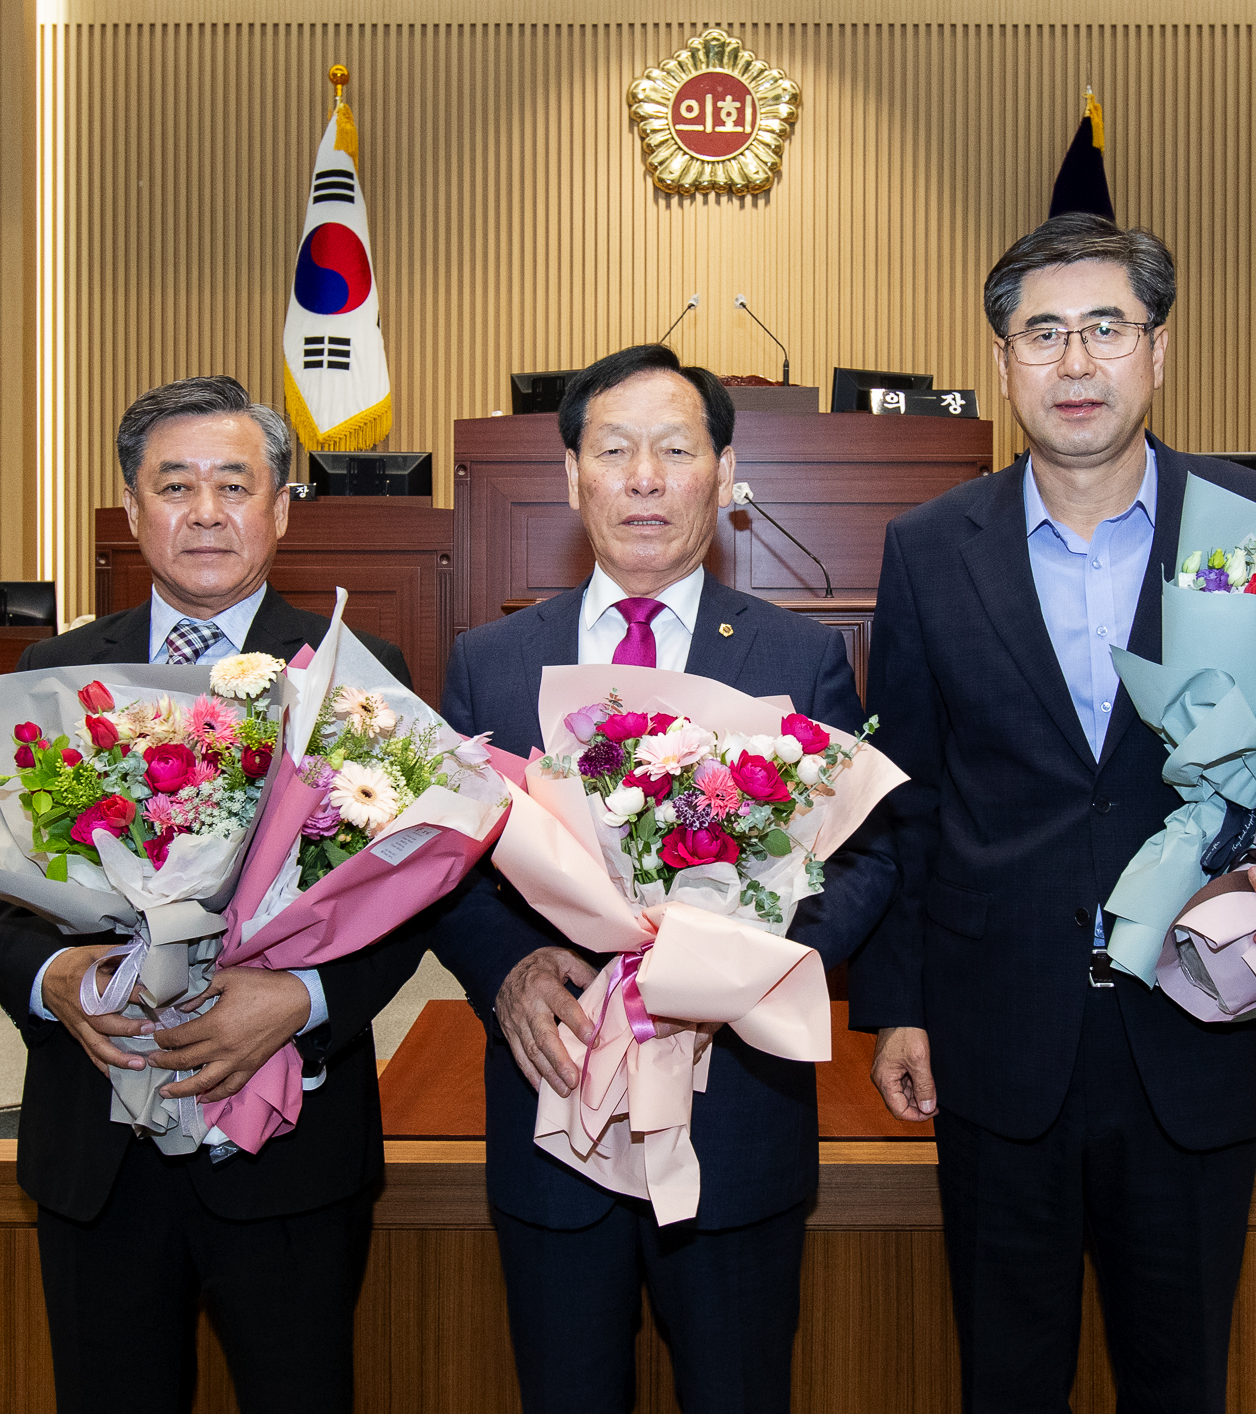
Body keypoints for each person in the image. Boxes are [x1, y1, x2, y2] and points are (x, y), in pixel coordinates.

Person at [849, 214, 1256, 1413]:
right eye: (1042, 333)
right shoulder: (929, 548)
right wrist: (897, 1004)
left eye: (1106, 328)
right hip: (998, 1040)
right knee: (1007, 1382)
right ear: (1003, 360)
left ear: (1157, 350)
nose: (1075, 362)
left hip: (1194, 1030)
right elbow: (908, 797)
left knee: (1180, 1380)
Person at [428, 344, 897, 1413]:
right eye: (614, 450)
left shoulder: (798, 658)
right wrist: (508, 969)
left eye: (676, 451)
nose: (644, 478)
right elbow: (441, 867)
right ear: (571, 475)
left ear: (723, 476)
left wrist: (748, 965)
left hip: (735, 1128)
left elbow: (866, 856)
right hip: (554, 1110)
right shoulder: (490, 661)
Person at [0, 375, 421, 1414]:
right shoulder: (55, 669)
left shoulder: (352, 670)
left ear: (281, 508)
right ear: (130, 508)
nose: (206, 512)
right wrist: (54, 978)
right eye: (175, 485)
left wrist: (303, 999)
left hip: (288, 1145)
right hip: (97, 1141)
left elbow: (412, 891)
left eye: (234, 485)